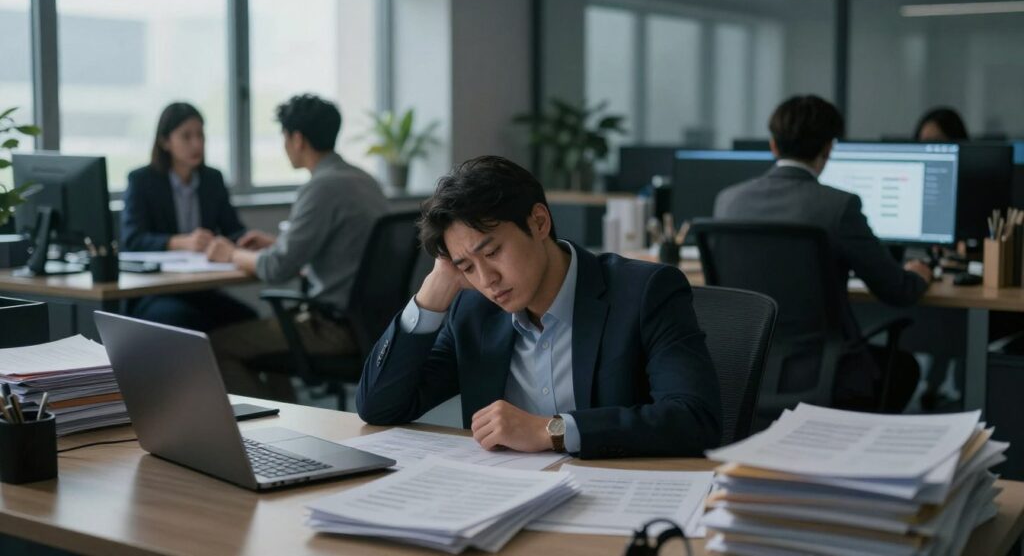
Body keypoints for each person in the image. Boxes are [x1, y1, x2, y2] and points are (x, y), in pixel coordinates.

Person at [356, 155, 721, 458]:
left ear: (539, 222)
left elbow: (694, 419)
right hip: (507, 506)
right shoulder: (473, 311)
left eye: (493, 252)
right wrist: (432, 295)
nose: (487, 280)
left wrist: (552, 430)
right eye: (467, 266)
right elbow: (380, 407)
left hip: (616, 496)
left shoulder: (644, 293)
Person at [714, 95, 932, 413]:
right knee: (904, 367)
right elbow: (896, 290)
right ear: (829, 148)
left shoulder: (727, 203)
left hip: (748, 368)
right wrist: (919, 273)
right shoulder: (839, 207)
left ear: (773, 145)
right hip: (823, 373)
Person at [205, 94, 388, 401]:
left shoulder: (320, 188)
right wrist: (279, 244)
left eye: (284, 137)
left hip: (330, 327)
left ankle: (261, 433)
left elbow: (277, 269)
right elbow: (344, 251)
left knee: (214, 346)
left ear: (297, 139)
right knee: (270, 347)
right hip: (368, 325)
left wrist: (230, 254)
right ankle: (286, 425)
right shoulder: (364, 180)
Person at [121, 102, 257, 332]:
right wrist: (181, 242)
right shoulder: (142, 181)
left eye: (201, 135)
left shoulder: (212, 179)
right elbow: (132, 239)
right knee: (183, 319)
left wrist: (241, 243)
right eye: (186, 136)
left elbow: (234, 229)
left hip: (200, 288)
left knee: (248, 320)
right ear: (165, 142)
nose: (197, 144)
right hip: (155, 291)